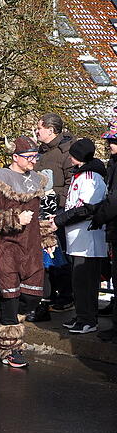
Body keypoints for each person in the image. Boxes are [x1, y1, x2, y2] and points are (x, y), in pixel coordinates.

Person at [0, 137, 47, 367]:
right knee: (10, 298)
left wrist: (48, 237)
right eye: (29, 157)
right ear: (15, 157)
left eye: (35, 156)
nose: (33, 161)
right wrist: (15, 218)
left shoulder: (37, 180)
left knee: (32, 296)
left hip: (30, 247)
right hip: (4, 246)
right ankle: (10, 350)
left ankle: (2, 323)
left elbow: (39, 216)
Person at [54, 138, 107, 335]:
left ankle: (88, 319)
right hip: (77, 238)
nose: (69, 157)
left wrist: (61, 220)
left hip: (88, 239)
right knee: (78, 281)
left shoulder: (92, 176)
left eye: (73, 154)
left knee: (86, 281)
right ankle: (82, 314)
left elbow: (86, 208)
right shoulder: (80, 175)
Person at [35, 113, 74, 311]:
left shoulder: (65, 152)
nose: (36, 131)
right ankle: (49, 296)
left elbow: (70, 181)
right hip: (41, 210)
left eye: (39, 128)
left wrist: (60, 207)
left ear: (50, 130)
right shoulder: (41, 152)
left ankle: (66, 295)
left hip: (56, 211)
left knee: (58, 254)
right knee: (46, 256)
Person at [91, 122, 117, 341]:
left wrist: (99, 217)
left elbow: (114, 199)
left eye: (113, 141)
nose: (109, 144)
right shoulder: (113, 163)